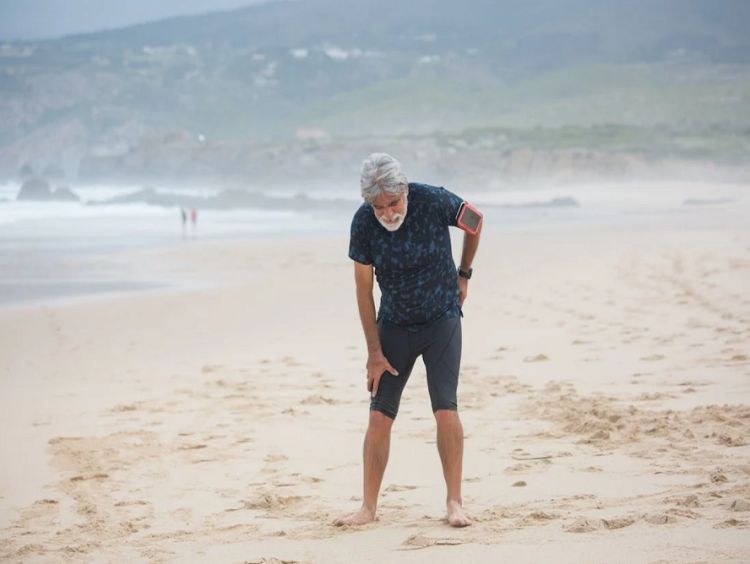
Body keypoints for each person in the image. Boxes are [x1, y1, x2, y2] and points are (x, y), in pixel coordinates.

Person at [335, 153, 483, 528]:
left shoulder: (433, 200)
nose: (387, 213)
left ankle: (454, 502)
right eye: (379, 206)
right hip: (395, 327)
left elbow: (475, 221)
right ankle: (367, 507)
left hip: (441, 321)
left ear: (405, 191)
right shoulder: (363, 222)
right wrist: (373, 352)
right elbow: (363, 289)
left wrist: (463, 273)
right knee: (379, 416)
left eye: (393, 203)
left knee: (445, 409)